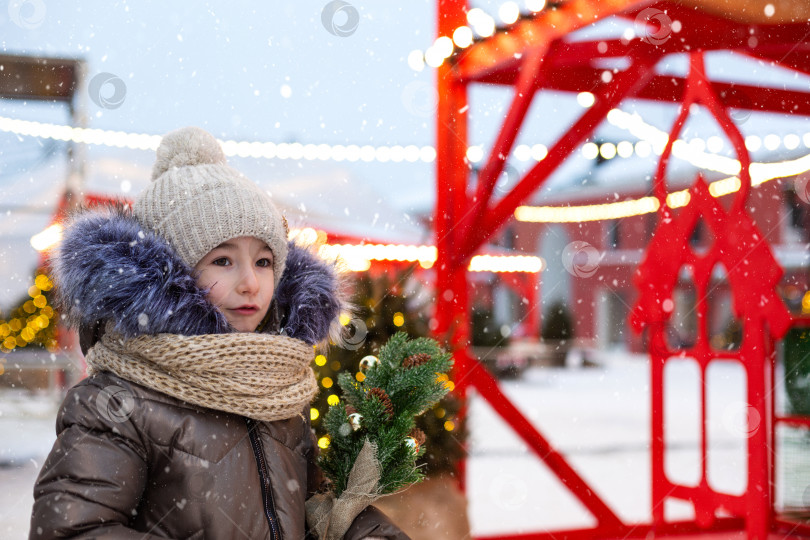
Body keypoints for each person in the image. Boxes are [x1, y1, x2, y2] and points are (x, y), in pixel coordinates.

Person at [29, 127, 407, 539]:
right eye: (223, 260)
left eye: (263, 262)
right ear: (173, 276)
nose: (250, 283)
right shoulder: (118, 403)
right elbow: (71, 530)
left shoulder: (276, 389)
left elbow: (317, 508)